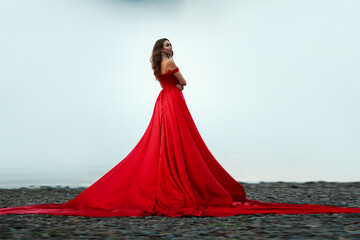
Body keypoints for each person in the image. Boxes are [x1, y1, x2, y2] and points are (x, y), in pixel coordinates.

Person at [0, 38, 359, 217]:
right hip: (174, 102)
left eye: (171, 46)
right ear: (163, 50)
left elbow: (169, 81)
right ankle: (179, 184)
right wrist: (179, 72)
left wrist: (171, 78)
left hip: (163, 104)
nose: (171, 50)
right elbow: (186, 83)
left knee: (164, 146)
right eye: (168, 46)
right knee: (179, 144)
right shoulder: (172, 64)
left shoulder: (156, 65)